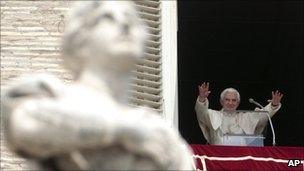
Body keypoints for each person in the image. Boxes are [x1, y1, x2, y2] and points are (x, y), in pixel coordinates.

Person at [1, 1, 193, 170]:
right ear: (80, 40)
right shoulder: (47, 94)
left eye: (131, 19)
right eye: (107, 18)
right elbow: (26, 125)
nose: (124, 24)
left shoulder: (162, 133)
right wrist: (123, 130)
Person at [195, 82, 283, 145]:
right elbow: (201, 113)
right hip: (218, 156)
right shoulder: (213, 115)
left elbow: (263, 117)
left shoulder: (246, 117)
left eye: (234, 100)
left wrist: (273, 105)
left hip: (241, 157)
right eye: (227, 100)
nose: (230, 103)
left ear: (238, 103)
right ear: (221, 102)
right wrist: (202, 99)